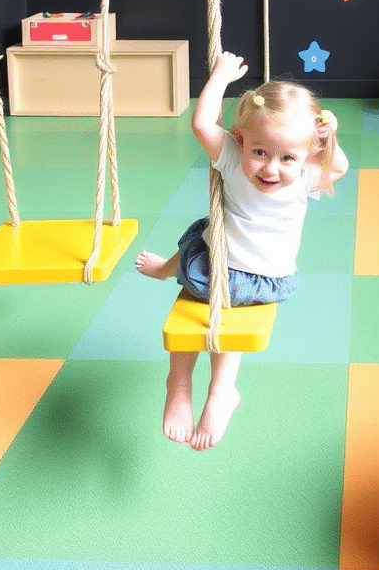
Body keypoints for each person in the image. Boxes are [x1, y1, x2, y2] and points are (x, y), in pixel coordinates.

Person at [136, 51, 348, 449]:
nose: (271, 169)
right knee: (205, 243)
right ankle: (202, 389)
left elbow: (202, 122)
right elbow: (202, 125)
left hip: (234, 276)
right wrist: (326, 139)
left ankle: (201, 389)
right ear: (241, 141)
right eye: (261, 153)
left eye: (288, 157)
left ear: (306, 156)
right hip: (248, 272)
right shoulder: (264, 166)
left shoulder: (273, 170)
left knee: (204, 286)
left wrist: (220, 77)